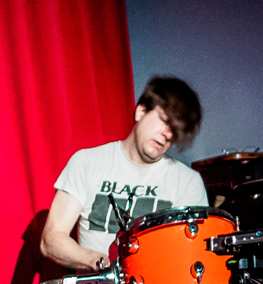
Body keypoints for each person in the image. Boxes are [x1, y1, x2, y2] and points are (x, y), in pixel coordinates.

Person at [41, 76, 207, 269]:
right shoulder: (86, 162)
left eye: (176, 130)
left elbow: (194, 254)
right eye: (164, 121)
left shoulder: (188, 181)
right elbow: (51, 240)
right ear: (141, 111)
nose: (168, 134)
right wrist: (102, 264)